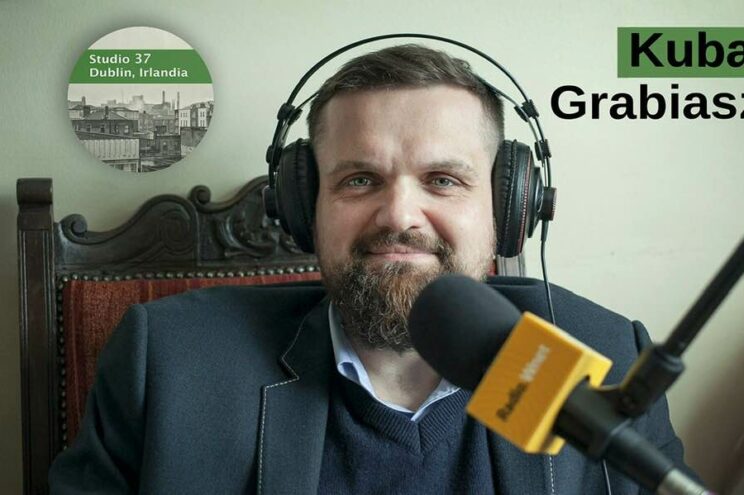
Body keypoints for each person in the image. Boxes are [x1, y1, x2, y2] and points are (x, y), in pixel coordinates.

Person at [49, 44, 690, 494]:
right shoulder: (168, 361)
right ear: (302, 206)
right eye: (360, 180)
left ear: (509, 208)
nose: (399, 216)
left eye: (443, 180)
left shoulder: (609, 359)